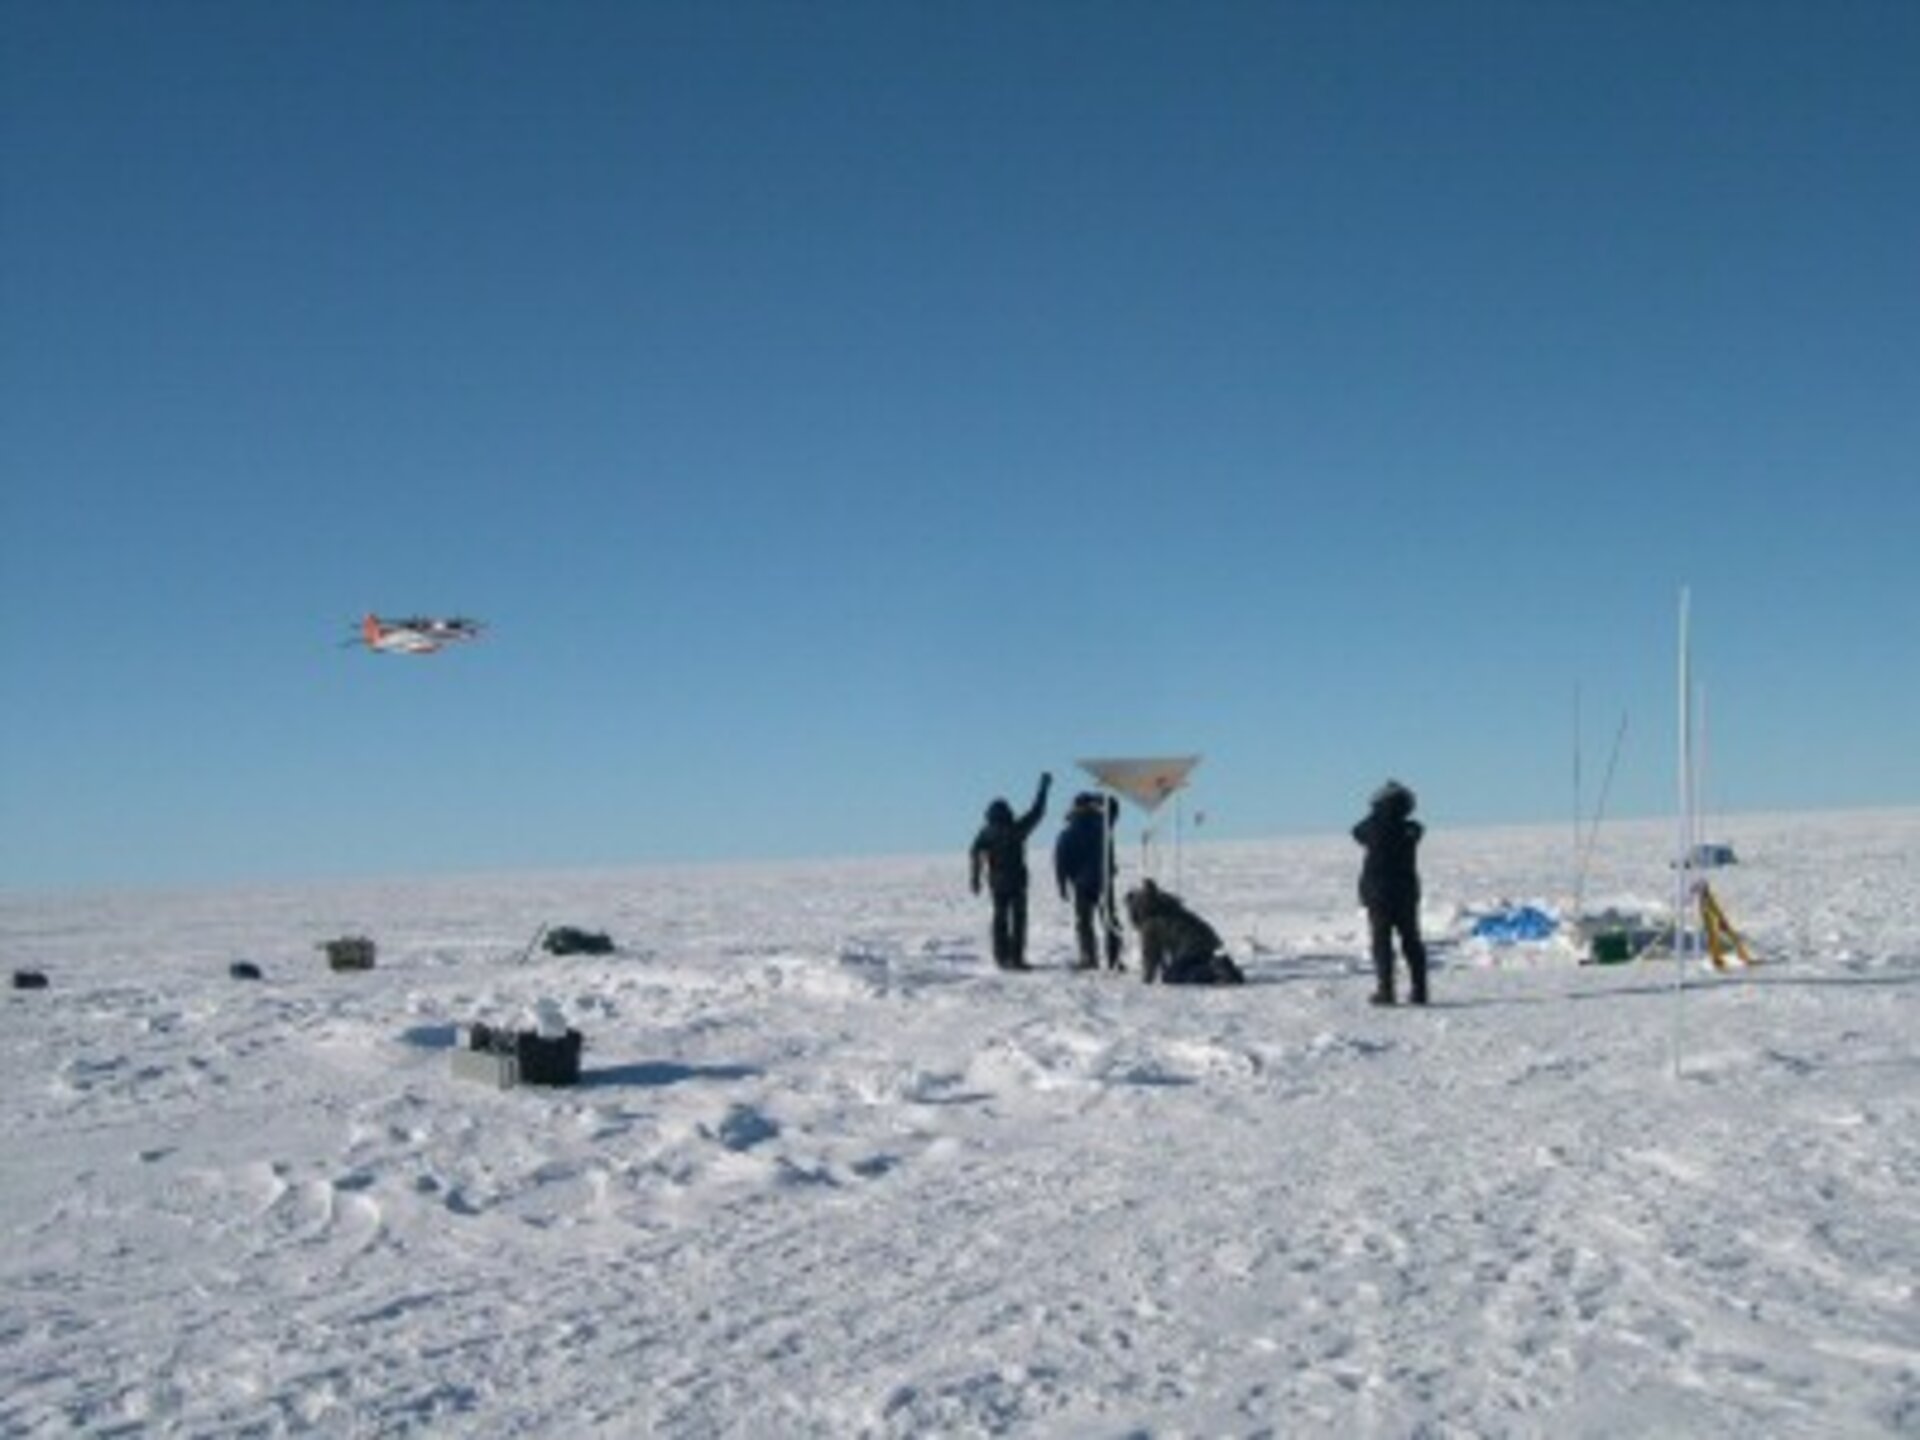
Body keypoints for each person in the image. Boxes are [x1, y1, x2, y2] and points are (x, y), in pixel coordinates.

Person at [1352, 779, 1429, 1005]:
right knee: (1412, 941)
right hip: (1406, 892)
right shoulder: (1411, 829)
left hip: (1378, 893)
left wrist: (1378, 812)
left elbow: (1357, 832)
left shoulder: (1372, 827)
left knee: (1382, 942)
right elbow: (1417, 829)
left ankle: (1386, 990)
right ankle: (1420, 990)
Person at [970, 772, 1051, 970]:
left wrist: (975, 878)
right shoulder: (1016, 829)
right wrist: (1043, 789)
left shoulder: (986, 833)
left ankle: (1001, 957)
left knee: (1000, 919)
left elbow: (974, 853)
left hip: (997, 883)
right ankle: (1016, 958)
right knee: (1018, 920)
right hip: (1017, 882)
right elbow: (1037, 812)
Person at [1124, 879, 1245, 985]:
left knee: (1172, 977)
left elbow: (1150, 956)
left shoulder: (1149, 924)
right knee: (1184, 967)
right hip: (1207, 942)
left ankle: (1213, 971)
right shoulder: (1166, 907)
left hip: (1191, 947)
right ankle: (1221, 966)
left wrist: (1146, 980)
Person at [1055, 792, 1124, 971]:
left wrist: (1062, 885)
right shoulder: (1103, 825)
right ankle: (1114, 959)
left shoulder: (1067, 833)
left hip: (1081, 883)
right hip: (1104, 880)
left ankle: (1088, 958)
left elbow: (1060, 861)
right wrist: (1100, 798)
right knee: (1109, 919)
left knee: (1084, 922)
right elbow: (1114, 806)